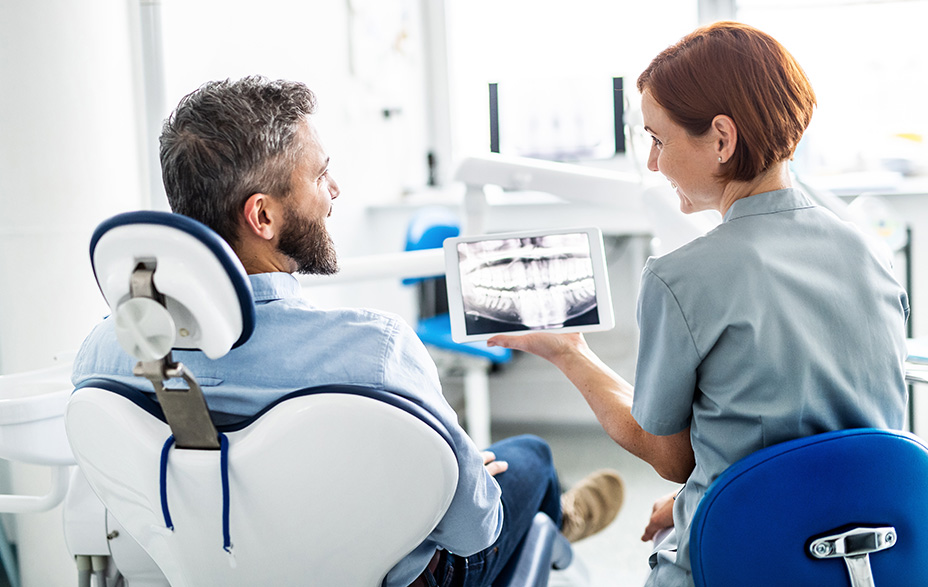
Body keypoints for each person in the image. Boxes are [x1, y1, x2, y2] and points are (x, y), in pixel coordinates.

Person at [72, 76, 624, 587]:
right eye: (319, 175)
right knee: (529, 459)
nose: (334, 189)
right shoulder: (375, 352)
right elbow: (472, 531)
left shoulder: (105, 355)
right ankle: (560, 521)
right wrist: (462, 479)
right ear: (262, 217)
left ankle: (558, 518)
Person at [487, 21, 909, 587]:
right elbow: (823, 438)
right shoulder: (871, 254)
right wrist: (700, 497)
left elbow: (670, 457)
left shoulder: (680, 278)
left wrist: (570, 353)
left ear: (722, 139)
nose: (652, 164)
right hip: (862, 557)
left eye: (658, 140)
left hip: (745, 560)